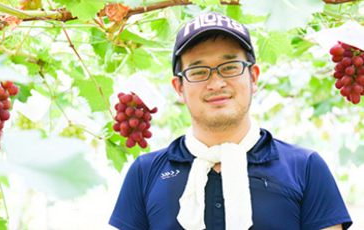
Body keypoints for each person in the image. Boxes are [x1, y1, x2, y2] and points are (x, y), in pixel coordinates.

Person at [109, 11, 353, 230]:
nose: (216, 83)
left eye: (230, 67)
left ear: (254, 78)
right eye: (198, 72)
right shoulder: (145, 172)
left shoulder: (305, 167)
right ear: (179, 88)